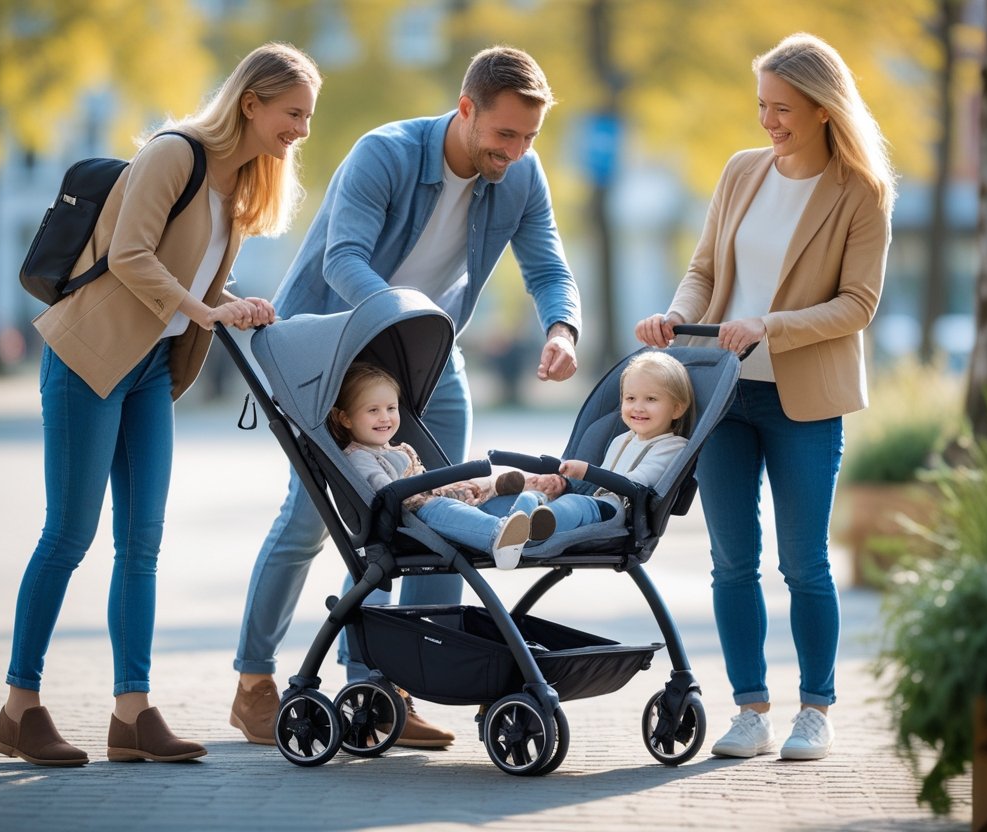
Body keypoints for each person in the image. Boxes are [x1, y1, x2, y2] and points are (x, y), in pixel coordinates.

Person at [230, 45, 581, 750]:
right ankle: (254, 684)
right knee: (311, 521)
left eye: (529, 137)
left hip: (428, 356)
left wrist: (562, 328)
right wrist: (402, 322)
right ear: (466, 109)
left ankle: (396, 686)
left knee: (441, 515)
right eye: (504, 133)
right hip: (334, 350)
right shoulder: (385, 154)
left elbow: (547, 263)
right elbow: (343, 259)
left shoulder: (521, 173)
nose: (516, 151)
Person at [0, 43, 322, 767]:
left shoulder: (239, 185)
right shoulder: (175, 153)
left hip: (149, 370)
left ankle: (133, 713)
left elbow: (189, 279)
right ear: (251, 103)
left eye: (308, 117)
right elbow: (132, 256)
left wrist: (234, 304)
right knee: (69, 535)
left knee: (142, 543)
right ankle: (20, 708)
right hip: (88, 356)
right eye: (293, 113)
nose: (301, 129)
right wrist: (207, 314)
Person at [635, 32, 895, 762]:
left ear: (822, 108)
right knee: (731, 561)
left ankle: (816, 711)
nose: (768, 121)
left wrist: (769, 326)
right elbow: (703, 269)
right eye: (762, 106)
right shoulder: (741, 171)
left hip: (802, 400)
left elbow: (858, 304)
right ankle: (750, 711)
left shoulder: (860, 192)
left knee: (804, 563)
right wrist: (676, 316)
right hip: (721, 395)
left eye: (782, 108)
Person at [331, 362, 555, 569]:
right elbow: (387, 493)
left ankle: (528, 513)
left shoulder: (395, 449)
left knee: (485, 501)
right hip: (414, 520)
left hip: (438, 504)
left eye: (391, 408)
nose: (385, 417)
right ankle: (499, 537)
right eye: (373, 410)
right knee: (442, 508)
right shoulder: (359, 457)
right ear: (345, 418)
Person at [513, 352, 694, 534]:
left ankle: (532, 528)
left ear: (676, 409)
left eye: (651, 399)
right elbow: (601, 484)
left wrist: (587, 472)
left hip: (620, 514)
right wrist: (567, 484)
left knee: (574, 504)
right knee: (533, 497)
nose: (638, 407)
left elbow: (635, 484)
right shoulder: (621, 440)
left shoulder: (673, 446)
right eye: (630, 398)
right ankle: (512, 527)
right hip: (597, 504)